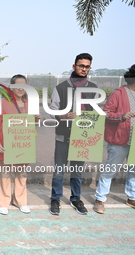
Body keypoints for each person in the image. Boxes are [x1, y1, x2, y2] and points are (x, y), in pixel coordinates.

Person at [49, 53, 97, 215]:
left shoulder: (93, 88)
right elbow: (52, 111)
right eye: (81, 65)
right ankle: (55, 198)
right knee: (59, 170)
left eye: (87, 66)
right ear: (74, 66)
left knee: (77, 171)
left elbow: (96, 113)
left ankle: (75, 198)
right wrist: (64, 115)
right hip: (63, 136)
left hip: (82, 138)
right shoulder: (61, 87)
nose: (84, 69)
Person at [0, 75, 40, 215]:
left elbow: (31, 125)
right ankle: (3, 202)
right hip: (6, 145)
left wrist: (36, 119)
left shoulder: (29, 103)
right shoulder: (3, 103)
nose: (20, 88)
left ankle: (20, 201)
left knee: (21, 173)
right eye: (17, 85)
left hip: (22, 144)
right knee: (5, 174)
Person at [94, 64, 135, 214]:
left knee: (134, 170)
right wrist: (121, 116)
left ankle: (132, 197)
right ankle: (100, 198)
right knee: (110, 170)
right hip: (119, 140)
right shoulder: (118, 93)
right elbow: (105, 113)